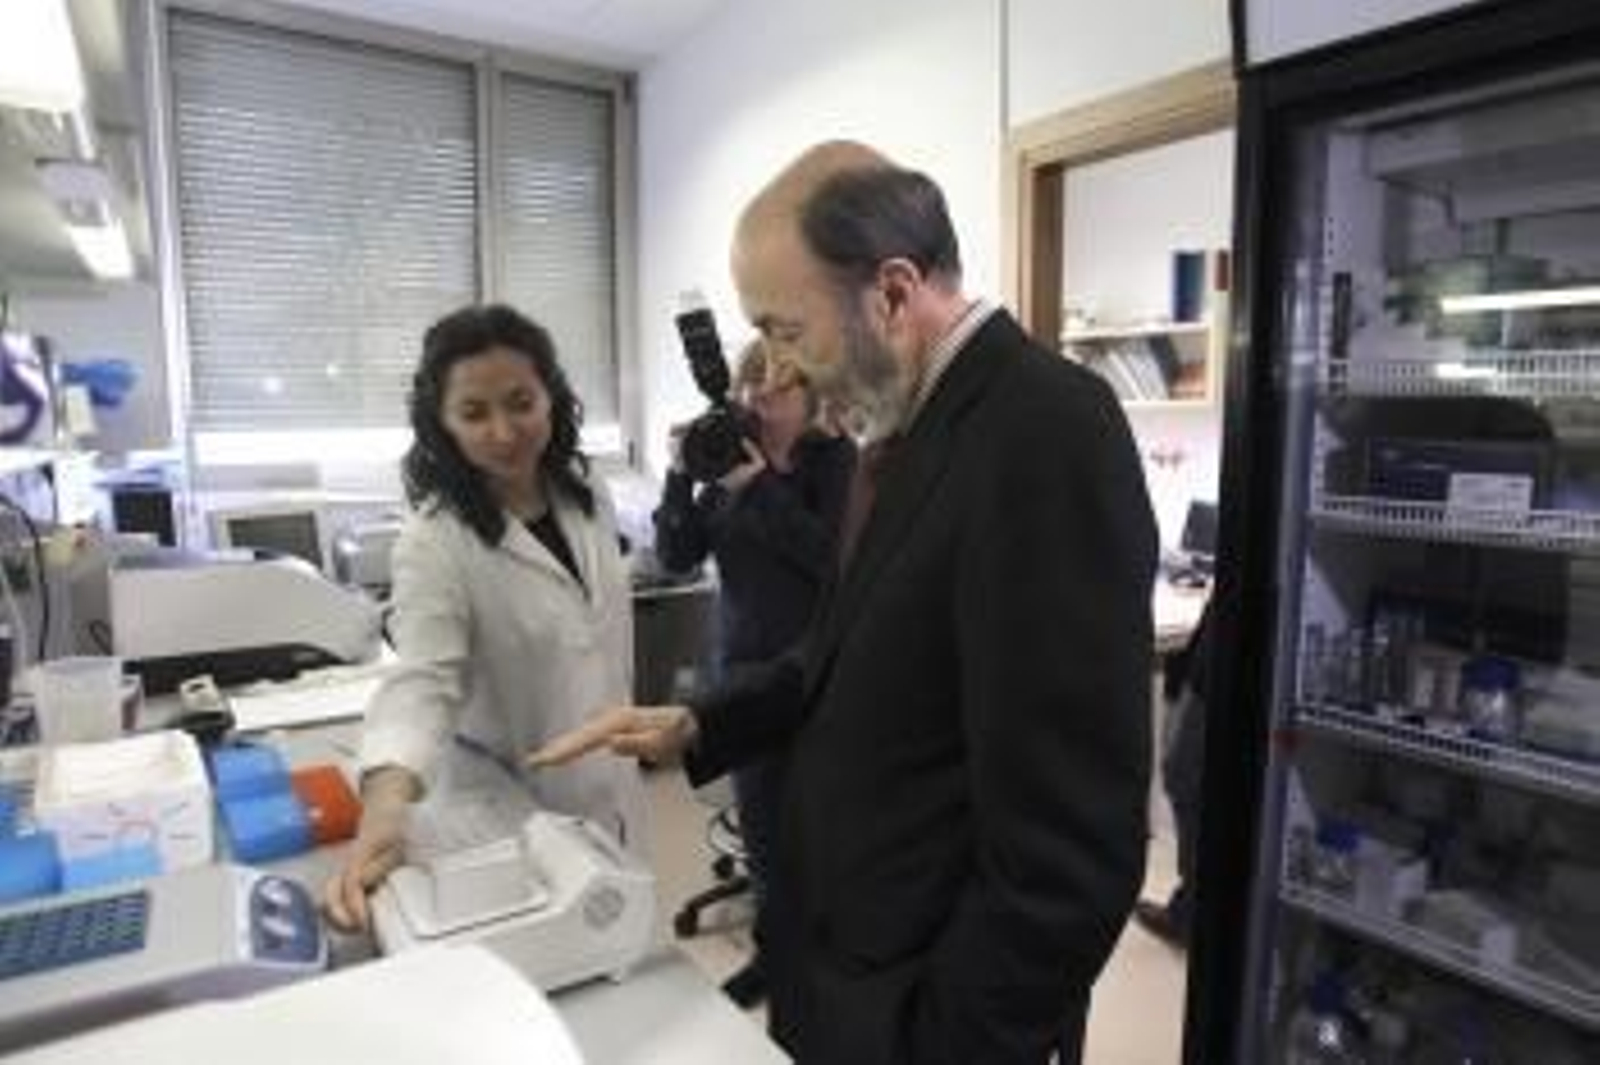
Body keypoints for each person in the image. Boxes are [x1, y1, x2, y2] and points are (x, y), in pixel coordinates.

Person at [532, 141, 1157, 1064]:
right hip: (844, 957)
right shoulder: (911, 429)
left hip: (919, 1003)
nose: (778, 372)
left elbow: (1069, 852)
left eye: (786, 330)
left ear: (894, 294)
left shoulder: (1043, 431)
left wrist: (936, 1043)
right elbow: (843, 650)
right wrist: (700, 722)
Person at [324, 304, 645, 932]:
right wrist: (384, 808)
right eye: (473, 413)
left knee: (623, 935)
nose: (503, 431)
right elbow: (422, 683)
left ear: (551, 397)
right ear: (442, 423)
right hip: (519, 810)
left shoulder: (586, 490)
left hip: (617, 782)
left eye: (520, 402)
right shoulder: (434, 541)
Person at [653, 341, 856, 1007]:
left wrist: (756, 484)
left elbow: (833, 562)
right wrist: (681, 474)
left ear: (814, 396)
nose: (755, 402)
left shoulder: (839, 464)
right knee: (764, 833)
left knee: (826, 835)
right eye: (747, 390)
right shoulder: (728, 460)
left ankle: (831, 960)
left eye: (775, 389)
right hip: (742, 678)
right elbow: (677, 554)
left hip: (820, 680)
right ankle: (776, 956)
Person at [1135, 598, 1214, 949]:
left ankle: (1190, 910)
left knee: (1183, 772)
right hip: (1208, 656)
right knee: (1185, 775)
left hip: (1212, 669)